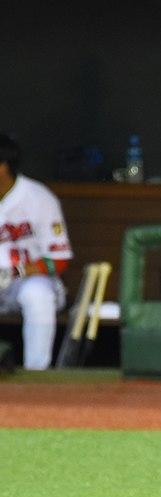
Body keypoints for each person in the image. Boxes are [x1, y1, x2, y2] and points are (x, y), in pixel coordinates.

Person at [0, 133, 73, 369]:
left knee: (38, 294)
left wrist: (17, 272)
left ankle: (36, 372)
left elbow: (59, 259)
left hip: (26, 280)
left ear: (3, 167)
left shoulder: (39, 198)